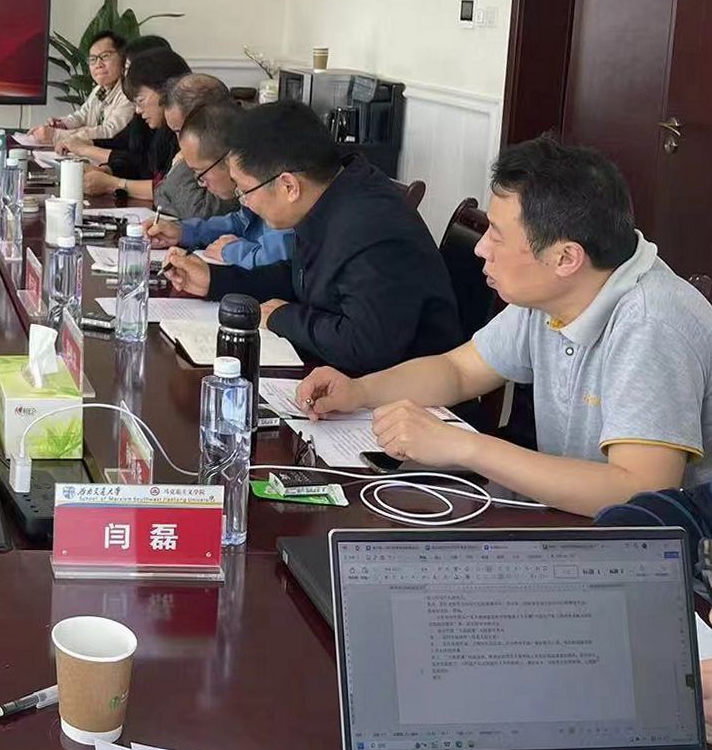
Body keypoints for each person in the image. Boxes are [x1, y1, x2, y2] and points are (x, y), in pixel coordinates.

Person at [297, 137, 712, 517]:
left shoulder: (651, 324)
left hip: (660, 559)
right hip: (569, 521)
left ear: (565, 258)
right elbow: (459, 371)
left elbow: (639, 492)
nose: (481, 247)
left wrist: (465, 446)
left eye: (497, 235)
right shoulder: (555, 294)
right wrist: (360, 391)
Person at [163, 100, 460, 374]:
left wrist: (283, 318)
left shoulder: (370, 228)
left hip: (411, 396)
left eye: (245, 190)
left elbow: (365, 346)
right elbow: (300, 278)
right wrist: (215, 281)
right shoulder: (331, 195)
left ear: (289, 186)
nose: (245, 202)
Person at [148, 98, 292, 269]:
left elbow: (279, 260)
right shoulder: (249, 194)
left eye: (201, 173)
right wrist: (182, 232)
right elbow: (240, 223)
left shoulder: (276, 189)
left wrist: (231, 250)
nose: (201, 183)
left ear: (228, 159)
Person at [79, 46, 192, 198]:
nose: (138, 110)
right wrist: (109, 170)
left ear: (165, 91)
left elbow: (168, 189)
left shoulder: (191, 132)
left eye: (141, 100)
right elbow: (141, 165)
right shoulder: (160, 129)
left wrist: (113, 183)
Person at [59, 35, 171, 179]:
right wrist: (107, 169)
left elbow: (143, 168)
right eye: (126, 70)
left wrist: (84, 148)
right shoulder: (103, 91)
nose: (126, 76)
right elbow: (120, 142)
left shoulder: (170, 122)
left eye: (130, 70)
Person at [152, 73, 240, 221]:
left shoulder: (230, 152)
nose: (179, 141)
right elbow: (160, 194)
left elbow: (199, 212)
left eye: (180, 131)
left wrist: (181, 164)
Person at [29, 31, 134, 145]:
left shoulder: (129, 92)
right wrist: (63, 124)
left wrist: (55, 135)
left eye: (105, 56)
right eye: (93, 59)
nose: (98, 64)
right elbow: (81, 116)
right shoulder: (99, 89)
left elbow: (109, 133)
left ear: (123, 59)